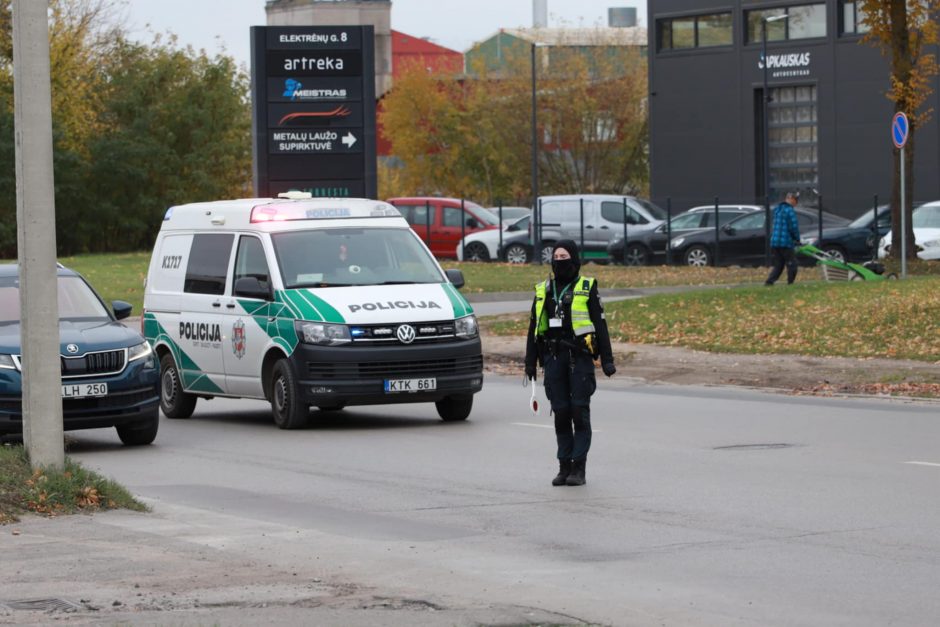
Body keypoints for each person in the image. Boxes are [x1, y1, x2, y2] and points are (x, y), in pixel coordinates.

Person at [524, 240, 616, 487]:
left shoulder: (586, 287)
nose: (560, 260)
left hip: (579, 359)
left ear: (574, 259)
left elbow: (600, 325)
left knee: (579, 412)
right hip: (553, 359)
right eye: (556, 256)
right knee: (561, 413)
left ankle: (579, 468)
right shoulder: (544, 289)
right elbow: (534, 327)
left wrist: (607, 360)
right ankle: (563, 466)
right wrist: (530, 362)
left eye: (565, 256)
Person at [765, 190, 802, 286]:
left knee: (779, 264)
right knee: (792, 263)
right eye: (796, 200)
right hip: (785, 242)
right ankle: (790, 283)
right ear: (791, 200)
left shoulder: (778, 209)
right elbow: (793, 227)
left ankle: (769, 282)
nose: (796, 202)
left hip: (775, 242)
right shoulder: (790, 211)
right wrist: (797, 239)